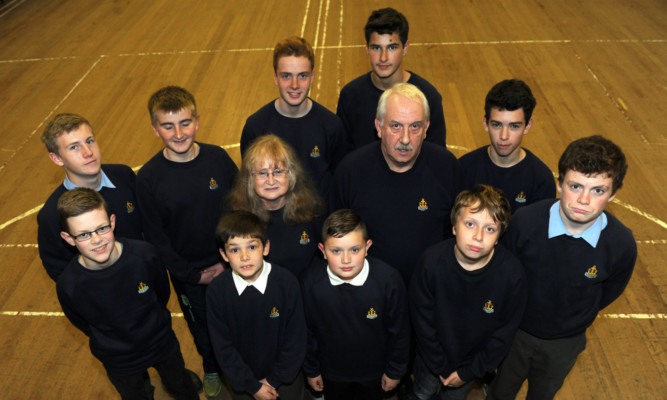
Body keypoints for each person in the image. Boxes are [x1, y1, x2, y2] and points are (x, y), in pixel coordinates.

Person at [487, 135, 637, 399]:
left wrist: (575, 315)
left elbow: (610, 291)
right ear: (559, 183)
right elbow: (503, 273)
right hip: (515, 333)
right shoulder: (525, 223)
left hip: (565, 343)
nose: (584, 199)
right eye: (575, 186)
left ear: (613, 194)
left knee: (543, 394)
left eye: (598, 190)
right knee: (500, 391)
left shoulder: (621, 244)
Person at [136, 86, 238, 397]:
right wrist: (194, 275)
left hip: (234, 264)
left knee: (238, 318)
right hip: (191, 278)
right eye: (168, 126)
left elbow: (239, 209)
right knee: (203, 330)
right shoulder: (149, 179)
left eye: (185, 122)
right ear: (155, 129)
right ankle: (210, 367)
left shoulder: (218, 159)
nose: (179, 133)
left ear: (197, 121)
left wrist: (229, 260)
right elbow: (157, 239)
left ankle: (240, 365)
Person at [55, 188, 199, 400]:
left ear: (112, 222)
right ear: (68, 238)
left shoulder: (145, 255)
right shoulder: (70, 284)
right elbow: (82, 322)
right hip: (120, 360)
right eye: (84, 234)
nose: (96, 240)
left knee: (182, 386)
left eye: (102, 228)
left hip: (161, 342)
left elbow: (161, 294)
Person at [332, 82, 462, 284]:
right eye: (396, 126)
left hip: (430, 292)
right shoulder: (350, 172)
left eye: (415, 127)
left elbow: (457, 235)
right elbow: (336, 240)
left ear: (426, 128)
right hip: (370, 295)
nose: (405, 139)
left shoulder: (447, 169)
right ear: (379, 127)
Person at [410, 185, 526, 400]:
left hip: (469, 367)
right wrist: (438, 364)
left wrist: (468, 372)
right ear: (454, 226)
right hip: (430, 359)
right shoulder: (430, 263)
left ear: (500, 235)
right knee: (421, 393)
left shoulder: (512, 275)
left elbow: (503, 334)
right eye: (470, 224)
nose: (478, 236)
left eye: (490, 229)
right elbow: (422, 320)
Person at [301, 209, 410, 400]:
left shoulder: (389, 281)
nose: (346, 260)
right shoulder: (310, 284)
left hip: (375, 371)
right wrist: (311, 370)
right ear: (322, 250)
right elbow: (306, 332)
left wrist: (395, 371)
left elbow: (400, 332)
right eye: (336, 251)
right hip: (332, 373)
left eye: (354, 249)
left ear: (367, 247)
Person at [207, 210, 307, 400]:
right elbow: (222, 347)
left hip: (286, 379)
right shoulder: (216, 291)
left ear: (266, 247)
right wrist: (253, 386)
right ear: (224, 254)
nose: (244, 257)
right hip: (244, 383)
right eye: (235, 249)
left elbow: (296, 339)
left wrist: (274, 379)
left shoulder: (287, 283)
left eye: (252, 247)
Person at [37, 113, 143, 282]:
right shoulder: (51, 215)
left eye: (89, 141)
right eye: (74, 147)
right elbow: (60, 270)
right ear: (56, 158)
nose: (87, 152)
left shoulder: (124, 176)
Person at [240, 36, 346, 201]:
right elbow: (250, 184)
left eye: (302, 76)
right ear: (275, 77)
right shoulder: (255, 127)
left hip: (319, 223)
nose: (295, 85)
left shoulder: (331, 126)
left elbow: (340, 181)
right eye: (286, 76)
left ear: (312, 76)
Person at [336, 7, 446, 149]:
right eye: (376, 48)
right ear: (366, 48)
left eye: (392, 47)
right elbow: (342, 156)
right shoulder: (350, 96)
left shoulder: (429, 97)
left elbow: (437, 157)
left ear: (405, 48)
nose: (383, 57)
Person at [228, 134, 324, 278]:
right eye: (262, 173)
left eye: (278, 172)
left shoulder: (312, 210)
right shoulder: (236, 217)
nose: (271, 181)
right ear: (249, 178)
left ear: (291, 175)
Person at [458, 79, 555, 214]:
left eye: (514, 126)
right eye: (497, 125)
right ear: (486, 123)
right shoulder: (463, 169)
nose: (504, 136)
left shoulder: (541, 179)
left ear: (527, 126)